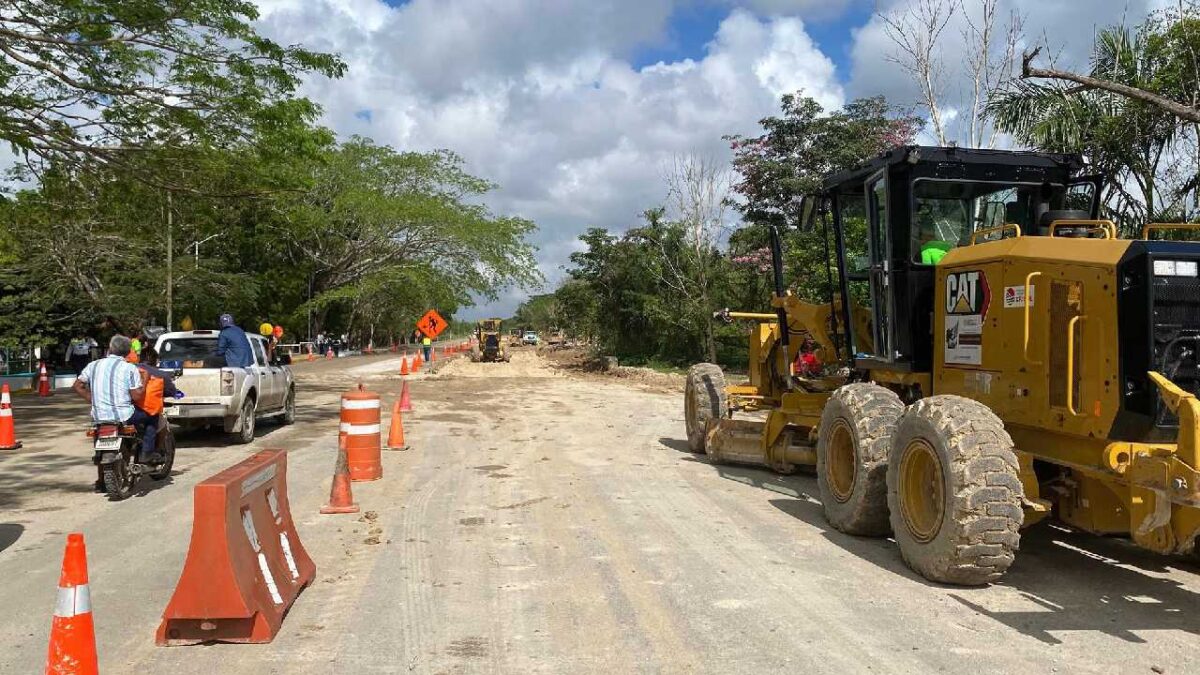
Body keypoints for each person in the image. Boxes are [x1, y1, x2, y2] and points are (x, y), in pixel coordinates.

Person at [72, 335, 161, 463]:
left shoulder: (93, 365)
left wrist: (94, 399)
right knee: (152, 417)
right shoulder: (130, 368)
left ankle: (101, 471)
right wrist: (145, 379)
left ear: (110, 349)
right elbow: (137, 396)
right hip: (124, 416)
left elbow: (78, 386)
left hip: (99, 415)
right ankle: (146, 453)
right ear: (128, 352)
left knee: (98, 432)